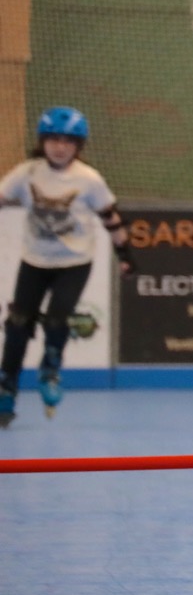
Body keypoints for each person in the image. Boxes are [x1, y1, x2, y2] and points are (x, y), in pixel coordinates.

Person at [0, 107, 133, 425]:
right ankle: (6, 390)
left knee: (57, 320)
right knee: (17, 326)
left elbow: (111, 218)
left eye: (68, 141)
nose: (60, 147)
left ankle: (50, 370)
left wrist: (126, 256)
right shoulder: (27, 173)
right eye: (53, 140)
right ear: (42, 142)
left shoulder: (88, 179)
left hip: (74, 263)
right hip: (34, 261)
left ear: (78, 146)